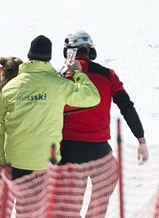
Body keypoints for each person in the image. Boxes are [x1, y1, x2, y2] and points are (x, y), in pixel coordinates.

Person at [0, 35, 100, 180]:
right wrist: (77, 73)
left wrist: (0, 160)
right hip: (47, 162)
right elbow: (93, 97)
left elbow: (0, 125)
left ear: (29, 56)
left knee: (22, 202)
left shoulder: (10, 87)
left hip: (15, 161)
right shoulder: (59, 85)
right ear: (49, 58)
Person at [60, 30, 149, 165]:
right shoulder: (108, 75)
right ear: (91, 51)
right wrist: (141, 139)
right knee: (107, 181)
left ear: (68, 52)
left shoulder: (59, 78)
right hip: (99, 148)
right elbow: (126, 106)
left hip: (68, 149)